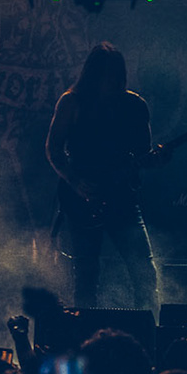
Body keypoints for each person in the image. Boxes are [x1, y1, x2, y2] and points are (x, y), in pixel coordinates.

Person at [46, 42, 160, 311]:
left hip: (123, 199)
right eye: (106, 75)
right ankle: (86, 332)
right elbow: (53, 149)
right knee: (86, 277)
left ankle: (148, 329)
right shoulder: (71, 102)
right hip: (82, 200)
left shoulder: (134, 105)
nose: (111, 82)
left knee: (144, 273)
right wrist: (75, 182)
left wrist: (158, 159)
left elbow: (144, 155)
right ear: (93, 75)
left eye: (116, 75)